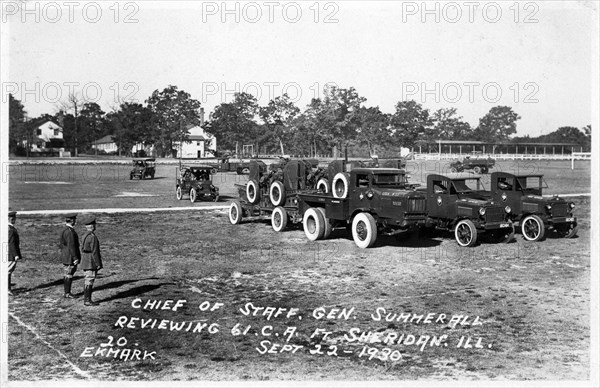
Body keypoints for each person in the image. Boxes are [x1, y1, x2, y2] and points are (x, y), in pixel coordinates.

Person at [80, 215, 103, 306]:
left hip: (85, 259)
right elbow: (95, 252)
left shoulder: (84, 235)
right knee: (89, 280)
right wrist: (98, 263)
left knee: (87, 280)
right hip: (90, 261)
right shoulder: (93, 237)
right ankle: (87, 300)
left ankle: (87, 299)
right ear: (92, 226)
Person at [60, 213, 80, 299]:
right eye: (74, 219)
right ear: (72, 220)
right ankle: (67, 293)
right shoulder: (70, 232)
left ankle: (67, 292)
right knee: (69, 274)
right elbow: (71, 245)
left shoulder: (65, 230)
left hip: (66, 255)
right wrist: (75, 257)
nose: (75, 221)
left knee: (67, 274)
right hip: (70, 257)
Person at [8, 211, 21, 296]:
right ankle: (7, 289)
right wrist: (16, 254)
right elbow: (11, 243)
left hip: (6, 253)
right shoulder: (11, 229)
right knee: (8, 272)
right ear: (12, 219)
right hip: (10, 254)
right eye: (14, 218)